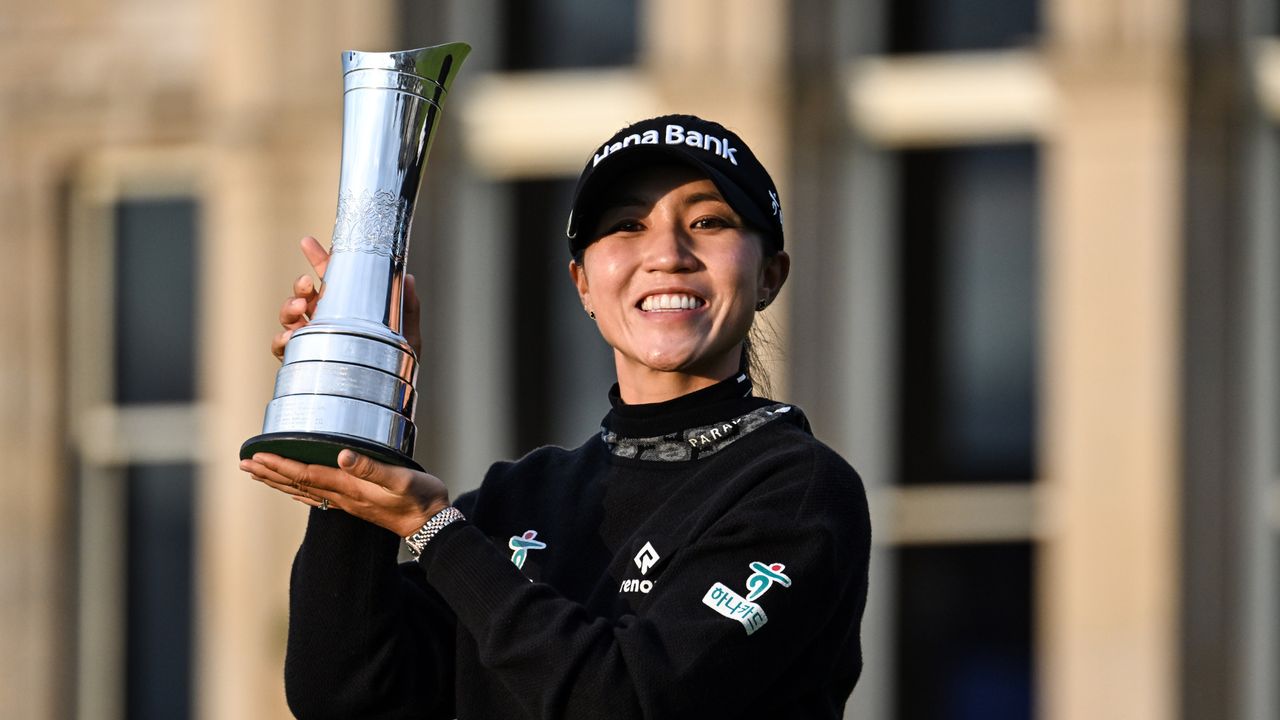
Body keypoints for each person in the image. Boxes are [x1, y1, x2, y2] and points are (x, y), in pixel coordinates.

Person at [240, 114, 871, 719]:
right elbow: (346, 692)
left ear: (769, 276)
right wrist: (360, 401)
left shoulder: (797, 489)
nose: (668, 254)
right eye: (627, 225)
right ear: (583, 284)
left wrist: (435, 531)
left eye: (707, 221)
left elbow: (630, 702)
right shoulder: (524, 495)